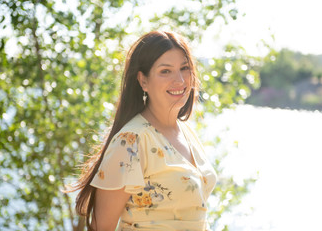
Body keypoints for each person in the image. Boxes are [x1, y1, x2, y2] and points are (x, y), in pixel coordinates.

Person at [69, 31, 217, 231]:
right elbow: (100, 228)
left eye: (184, 68)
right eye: (166, 71)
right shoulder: (131, 141)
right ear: (143, 80)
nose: (180, 80)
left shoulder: (186, 132)